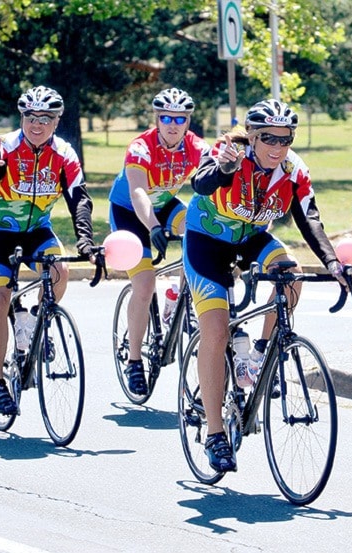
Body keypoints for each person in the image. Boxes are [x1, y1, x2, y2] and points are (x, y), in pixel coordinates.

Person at [183, 99, 350, 472]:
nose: (277, 147)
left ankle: (258, 357)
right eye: (269, 139)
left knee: (290, 274)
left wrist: (333, 262)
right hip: (207, 241)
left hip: (252, 239)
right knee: (216, 331)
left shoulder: (292, 169)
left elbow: (310, 219)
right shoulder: (229, 152)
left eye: (286, 139)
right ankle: (215, 435)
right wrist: (224, 169)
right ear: (253, 136)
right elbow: (202, 182)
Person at [0, 85, 96, 416]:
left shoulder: (64, 154)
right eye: (30, 117)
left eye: (45, 118)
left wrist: (85, 240)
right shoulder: (3, 149)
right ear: (22, 117)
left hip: (36, 231)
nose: (37, 124)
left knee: (60, 272)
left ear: (56, 120)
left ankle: (34, 322)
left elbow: (79, 199)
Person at [108, 88, 209, 395]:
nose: (173, 124)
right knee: (144, 284)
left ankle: (180, 294)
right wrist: (152, 227)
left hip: (165, 203)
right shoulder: (141, 147)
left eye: (180, 118)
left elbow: (214, 174)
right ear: (157, 119)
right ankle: (135, 360)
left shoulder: (195, 146)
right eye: (166, 117)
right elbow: (139, 192)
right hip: (130, 211)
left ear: (188, 120)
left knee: (199, 230)